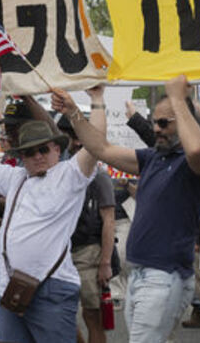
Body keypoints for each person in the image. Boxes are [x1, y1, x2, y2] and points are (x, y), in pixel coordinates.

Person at [54, 76, 200, 343]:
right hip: (140, 274)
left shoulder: (194, 164)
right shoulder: (152, 158)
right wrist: (87, 105)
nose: (156, 128)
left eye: (164, 122)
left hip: (164, 276)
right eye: (154, 121)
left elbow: (196, 148)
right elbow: (101, 148)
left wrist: (176, 97)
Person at [0, 109, 99, 340]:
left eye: (43, 149)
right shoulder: (17, 177)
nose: (37, 156)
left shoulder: (69, 175)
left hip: (51, 288)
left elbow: (96, 145)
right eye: (29, 152)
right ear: (21, 157)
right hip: (11, 288)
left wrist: (95, 103)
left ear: (57, 149)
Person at [60, 116, 116, 343]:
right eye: (70, 137)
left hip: (88, 253)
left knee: (92, 316)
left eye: (78, 137)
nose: (75, 143)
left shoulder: (99, 175)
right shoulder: (61, 171)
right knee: (62, 317)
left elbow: (109, 220)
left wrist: (105, 263)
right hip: (63, 252)